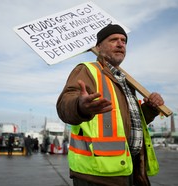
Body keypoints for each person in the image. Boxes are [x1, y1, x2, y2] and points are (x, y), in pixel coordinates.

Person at [56, 24, 165, 186]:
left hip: (129, 168)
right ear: (99, 47)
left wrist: (149, 109)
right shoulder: (87, 70)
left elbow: (127, 123)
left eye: (124, 41)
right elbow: (64, 105)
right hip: (97, 174)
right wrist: (80, 105)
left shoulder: (126, 81)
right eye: (114, 40)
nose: (120, 44)